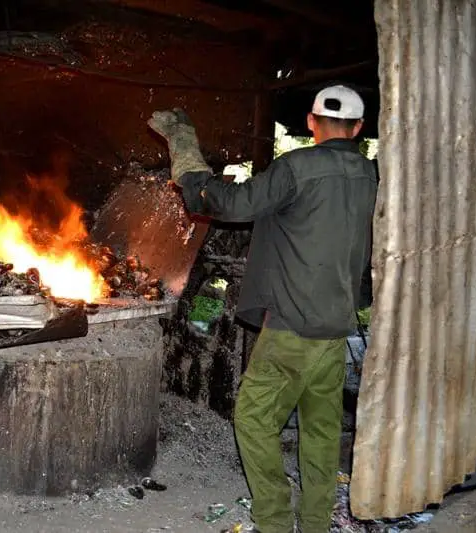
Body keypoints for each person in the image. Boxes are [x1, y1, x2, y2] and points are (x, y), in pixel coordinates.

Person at [148, 85, 378, 533]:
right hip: (336, 326)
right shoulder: (367, 175)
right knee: (321, 430)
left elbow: (231, 205)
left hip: (292, 326)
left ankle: (273, 519)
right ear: (358, 128)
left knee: (253, 419)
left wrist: (188, 158)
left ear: (311, 123)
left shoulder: (296, 168)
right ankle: (313, 522)